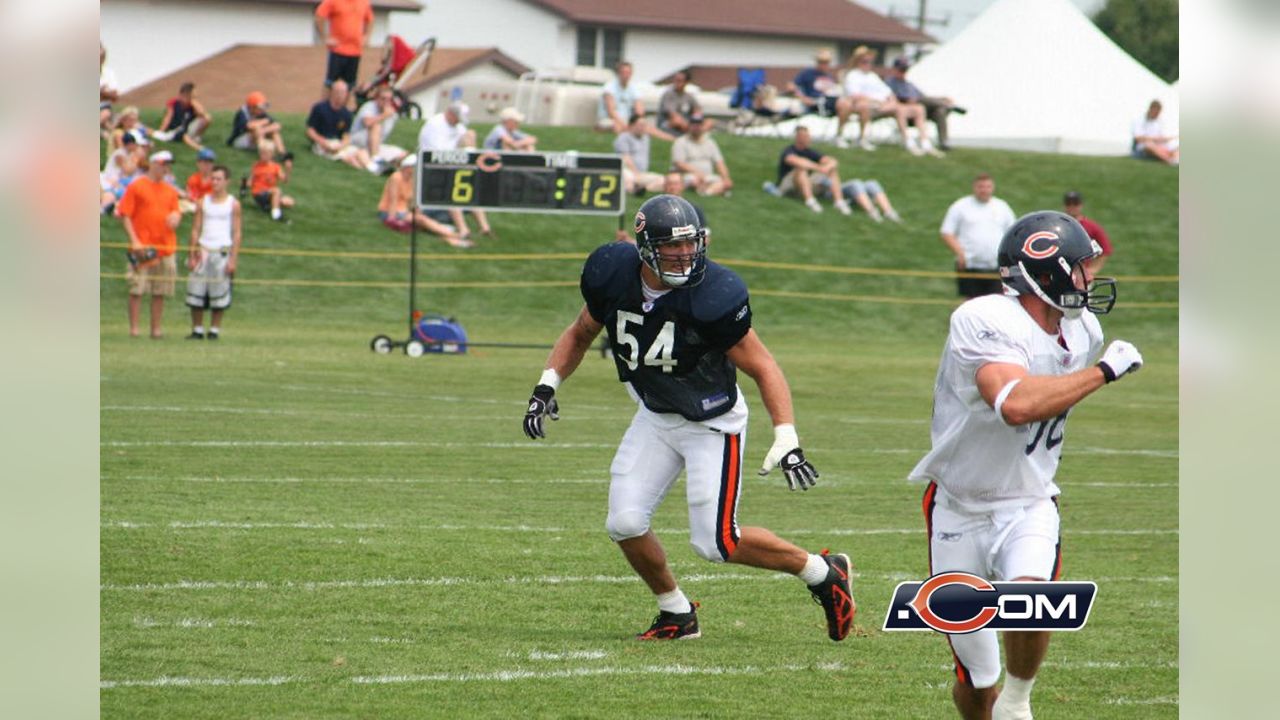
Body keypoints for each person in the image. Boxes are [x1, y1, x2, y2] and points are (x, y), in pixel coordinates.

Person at [522, 194, 854, 643]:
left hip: (711, 424)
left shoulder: (713, 295)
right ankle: (676, 613)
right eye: (671, 246)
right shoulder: (611, 274)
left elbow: (763, 366)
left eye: (689, 243)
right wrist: (547, 385)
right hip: (656, 416)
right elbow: (581, 332)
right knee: (624, 523)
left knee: (718, 543)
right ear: (644, 246)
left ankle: (822, 572)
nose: (683, 254)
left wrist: (786, 434)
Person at [908, 211, 1142, 720]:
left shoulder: (1083, 331)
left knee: (1030, 596)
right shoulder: (984, 318)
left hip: (1029, 501)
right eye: (1081, 268)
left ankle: (1018, 702)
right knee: (976, 679)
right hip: (958, 507)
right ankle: (995, 700)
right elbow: (1014, 405)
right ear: (1049, 271)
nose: (1090, 279)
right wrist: (1104, 373)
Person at [118, 150, 182, 338]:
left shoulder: (170, 190)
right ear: (153, 164)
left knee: (160, 291)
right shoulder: (137, 186)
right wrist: (134, 240)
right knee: (137, 288)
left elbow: (176, 211)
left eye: (168, 165)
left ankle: (156, 329)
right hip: (143, 246)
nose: (166, 168)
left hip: (164, 246)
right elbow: (125, 214)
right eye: (163, 164)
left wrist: (176, 217)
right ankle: (134, 329)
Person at [838, 46, 938, 156]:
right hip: (867, 106)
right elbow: (855, 95)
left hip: (883, 105)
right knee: (895, 108)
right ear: (857, 61)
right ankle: (907, 141)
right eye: (865, 61)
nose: (868, 64)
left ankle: (924, 142)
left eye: (870, 61)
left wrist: (891, 100)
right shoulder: (853, 76)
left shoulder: (872, 76)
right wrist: (878, 101)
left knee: (919, 108)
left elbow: (888, 92)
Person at [185, 164, 241, 340]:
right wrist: (192, 252)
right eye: (213, 178)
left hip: (222, 249)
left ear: (226, 181)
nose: (215, 182)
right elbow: (195, 228)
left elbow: (237, 232)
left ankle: (215, 329)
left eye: (219, 179)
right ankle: (197, 328)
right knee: (197, 288)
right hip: (204, 248)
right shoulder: (203, 202)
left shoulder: (233, 204)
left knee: (219, 289)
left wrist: (233, 259)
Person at [418, 102, 490, 237]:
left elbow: (464, 140)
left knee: (471, 187)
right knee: (452, 190)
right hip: (434, 166)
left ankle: (484, 227)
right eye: (457, 118)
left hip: (453, 163)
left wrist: (469, 149)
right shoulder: (435, 125)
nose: (459, 122)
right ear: (450, 114)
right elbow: (437, 154)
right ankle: (463, 229)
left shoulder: (458, 126)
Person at [940, 174, 1016, 298]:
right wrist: (960, 253)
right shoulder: (960, 206)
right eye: (980, 186)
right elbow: (947, 232)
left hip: (996, 266)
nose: (984, 190)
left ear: (993, 188)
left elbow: (1013, 232)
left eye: (988, 186)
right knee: (970, 304)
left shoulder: (1002, 207)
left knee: (997, 303)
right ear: (974, 187)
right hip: (969, 265)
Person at [377, 154, 472, 247]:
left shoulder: (413, 179)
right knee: (422, 220)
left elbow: (413, 200)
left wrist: (417, 212)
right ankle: (455, 236)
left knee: (423, 220)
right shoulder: (396, 177)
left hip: (404, 210)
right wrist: (392, 219)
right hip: (390, 211)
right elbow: (393, 200)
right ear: (407, 167)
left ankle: (448, 237)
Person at [761, 125, 852, 214]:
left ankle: (839, 202)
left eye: (808, 136)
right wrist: (819, 168)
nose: (808, 138)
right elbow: (794, 161)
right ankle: (810, 201)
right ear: (798, 137)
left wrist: (827, 167)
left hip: (805, 182)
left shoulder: (810, 152)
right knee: (801, 169)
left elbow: (832, 161)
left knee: (832, 170)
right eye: (805, 136)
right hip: (787, 185)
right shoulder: (789, 150)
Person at [886, 57, 966, 152]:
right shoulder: (890, 83)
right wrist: (912, 100)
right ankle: (948, 106)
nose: (904, 72)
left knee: (940, 111)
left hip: (921, 109)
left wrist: (942, 98)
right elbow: (896, 99)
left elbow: (925, 97)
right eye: (901, 69)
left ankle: (944, 142)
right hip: (907, 111)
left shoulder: (909, 84)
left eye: (905, 70)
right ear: (894, 69)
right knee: (922, 102)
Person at [306, 80, 373, 170]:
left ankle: (371, 168)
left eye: (343, 92)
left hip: (337, 143)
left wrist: (343, 145)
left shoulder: (346, 114)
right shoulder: (319, 108)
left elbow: (346, 134)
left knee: (361, 152)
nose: (340, 95)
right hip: (323, 143)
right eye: (338, 92)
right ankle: (364, 170)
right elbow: (310, 130)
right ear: (332, 92)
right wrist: (322, 142)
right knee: (349, 158)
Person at [786, 48, 853, 127]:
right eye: (822, 62)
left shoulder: (829, 76)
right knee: (843, 104)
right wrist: (803, 98)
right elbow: (791, 86)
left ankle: (840, 131)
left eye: (827, 62)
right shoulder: (808, 73)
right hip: (815, 102)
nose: (824, 65)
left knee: (846, 103)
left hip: (829, 100)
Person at [670, 114, 733, 197]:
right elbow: (679, 163)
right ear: (689, 126)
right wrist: (698, 173)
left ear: (703, 126)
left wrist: (726, 178)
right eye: (694, 124)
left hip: (707, 176)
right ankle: (712, 190)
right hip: (688, 176)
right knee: (693, 181)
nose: (696, 127)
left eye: (699, 124)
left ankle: (707, 192)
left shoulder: (710, 142)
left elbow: (719, 162)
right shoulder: (681, 142)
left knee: (724, 183)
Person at [315, 0, 373, 89]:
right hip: (338, 50)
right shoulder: (333, 1)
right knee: (330, 84)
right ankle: (325, 103)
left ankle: (344, 103)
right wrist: (325, 38)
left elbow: (370, 20)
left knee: (349, 85)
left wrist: (367, 36)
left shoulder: (364, 2)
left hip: (355, 51)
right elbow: (319, 16)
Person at [351, 84, 408, 172]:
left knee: (403, 155)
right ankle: (375, 159)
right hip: (358, 142)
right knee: (376, 126)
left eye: (389, 99)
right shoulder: (369, 106)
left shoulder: (392, 115)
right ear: (376, 99)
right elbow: (367, 123)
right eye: (383, 98)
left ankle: (387, 165)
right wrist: (384, 115)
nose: (386, 102)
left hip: (376, 146)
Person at [614, 114, 667, 195]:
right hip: (627, 171)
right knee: (628, 178)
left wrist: (639, 175)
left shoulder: (646, 139)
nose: (643, 127)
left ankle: (644, 189)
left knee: (664, 180)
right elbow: (626, 158)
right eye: (640, 125)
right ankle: (633, 189)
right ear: (631, 125)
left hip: (642, 173)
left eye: (644, 125)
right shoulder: (623, 138)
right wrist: (636, 173)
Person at [1062, 191, 1113, 273]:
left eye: (1075, 204)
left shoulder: (1092, 227)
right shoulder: (1058, 225)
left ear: (1081, 205)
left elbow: (1105, 249)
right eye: (1069, 204)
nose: (1072, 207)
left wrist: (1092, 270)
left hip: (1081, 273)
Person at [153, 81, 213, 150]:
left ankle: (196, 137)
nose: (194, 97)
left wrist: (193, 102)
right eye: (192, 96)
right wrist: (161, 131)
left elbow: (202, 113)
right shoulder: (174, 102)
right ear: (185, 94)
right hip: (177, 128)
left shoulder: (192, 104)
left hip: (187, 127)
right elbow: (168, 118)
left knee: (207, 118)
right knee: (184, 136)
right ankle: (199, 147)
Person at [100, 132, 146, 214]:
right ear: (130, 144)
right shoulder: (120, 154)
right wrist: (136, 158)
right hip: (111, 179)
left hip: (120, 180)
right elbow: (127, 171)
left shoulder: (129, 153)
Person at [249, 140, 294, 221]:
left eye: (266, 153)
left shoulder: (276, 167)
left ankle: (268, 206)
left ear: (272, 155)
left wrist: (288, 170)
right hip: (259, 193)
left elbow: (285, 180)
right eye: (261, 153)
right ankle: (276, 214)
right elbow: (250, 181)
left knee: (289, 202)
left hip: (270, 193)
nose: (263, 156)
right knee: (277, 190)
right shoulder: (257, 165)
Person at [598, 60, 644, 133]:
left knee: (643, 124)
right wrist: (624, 124)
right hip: (609, 120)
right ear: (618, 73)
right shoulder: (609, 88)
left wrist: (635, 121)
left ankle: (667, 138)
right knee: (616, 126)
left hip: (627, 119)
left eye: (628, 73)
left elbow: (639, 110)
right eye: (623, 72)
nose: (626, 75)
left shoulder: (634, 88)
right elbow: (611, 112)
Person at [1131, 99, 1179, 165]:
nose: (1157, 114)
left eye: (1158, 112)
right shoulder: (1139, 120)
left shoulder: (1159, 121)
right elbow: (1138, 138)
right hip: (1143, 147)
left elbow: (1162, 136)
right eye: (1156, 112)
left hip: (1158, 144)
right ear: (1151, 109)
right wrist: (1155, 139)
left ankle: (1175, 159)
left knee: (1174, 145)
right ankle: (1170, 161)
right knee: (1150, 145)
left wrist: (1166, 139)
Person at [657, 70, 702, 135]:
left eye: (680, 81)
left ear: (687, 82)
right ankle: (693, 134)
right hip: (667, 124)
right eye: (675, 80)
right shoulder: (668, 95)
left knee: (709, 122)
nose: (676, 83)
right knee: (677, 120)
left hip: (686, 124)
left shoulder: (689, 96)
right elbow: (672, 114)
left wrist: (696, 120)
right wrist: (689, 125)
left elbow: (697, 110)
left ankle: (694, 133)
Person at [100, 43, 120, 137]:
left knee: (107, 115)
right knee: (106, 118)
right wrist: (105, 92)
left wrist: (102, 92)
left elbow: (115, 97)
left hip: (104, 107)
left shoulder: (109, 73)